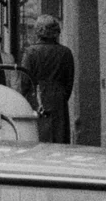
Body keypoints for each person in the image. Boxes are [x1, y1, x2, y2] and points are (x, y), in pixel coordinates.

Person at [20, 14, 77, 143]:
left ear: (38, 32)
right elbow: (69, 81)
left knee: (39, 136)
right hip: (58, 98)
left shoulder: (31, 52)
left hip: (36, 97)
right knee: (59, 136)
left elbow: (24, 81)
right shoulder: (65, 52)